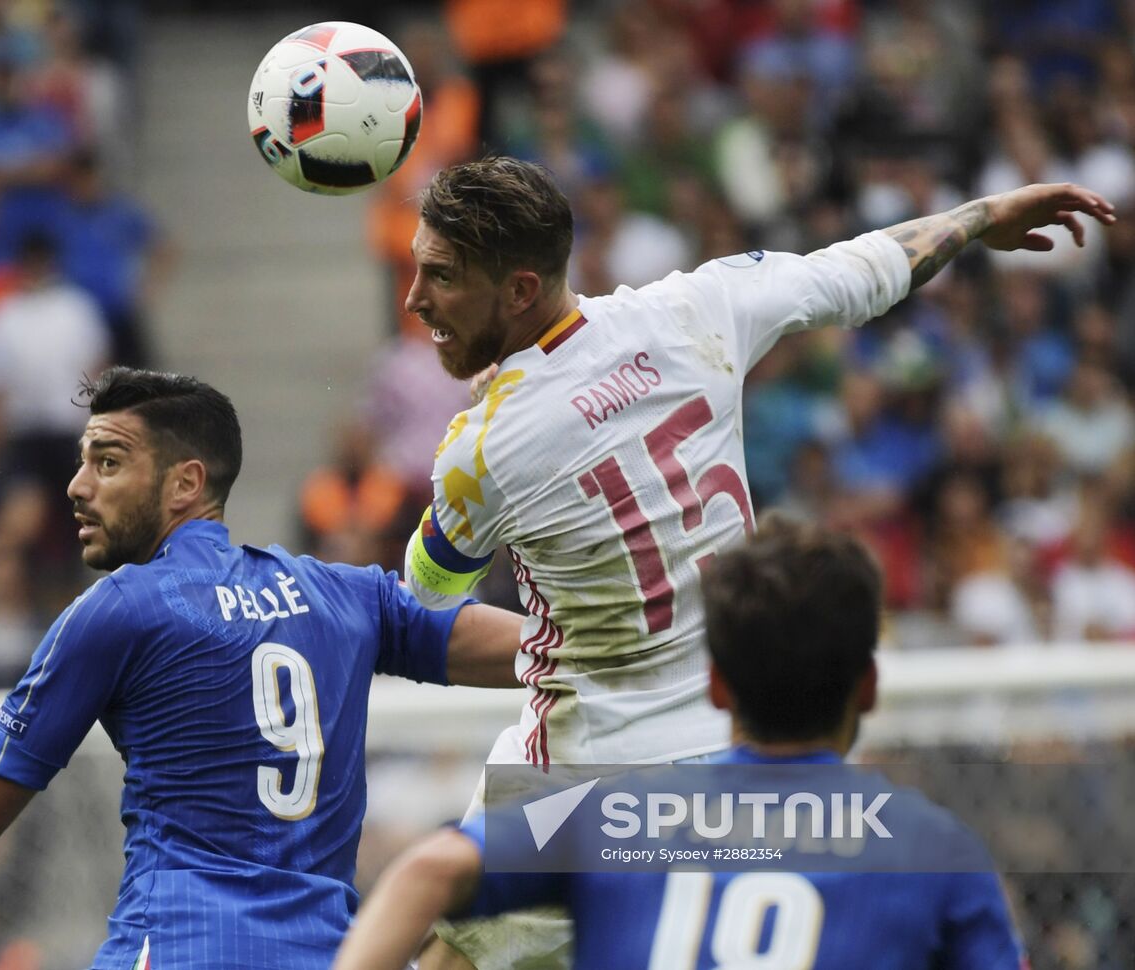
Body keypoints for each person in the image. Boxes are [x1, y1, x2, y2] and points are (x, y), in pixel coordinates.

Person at [400, 156, 1111, 967]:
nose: (417, 298)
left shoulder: (483, 446)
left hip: (585, 779)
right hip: (735, 754)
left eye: (440, 276)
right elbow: (864, 269)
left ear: (520, 289)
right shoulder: (697, 307)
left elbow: (430, 588)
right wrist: (983, 215)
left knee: (449, 949)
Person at [0, 367, 528, 970]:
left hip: (178, 947)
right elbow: (537, 650)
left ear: (185, 484)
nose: (78, 485)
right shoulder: (343, 594)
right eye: (81, 462)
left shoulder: (123, 607)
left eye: (108, 461)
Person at [338, 517, 1027, 969]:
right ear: (868, 687)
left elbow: (428, 872)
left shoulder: (610, 816)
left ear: (718, 687)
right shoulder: (937, 854)